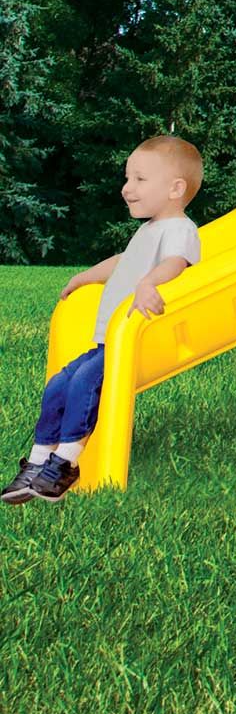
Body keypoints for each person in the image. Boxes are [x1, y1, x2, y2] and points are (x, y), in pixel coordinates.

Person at [5, 137, 204, 507]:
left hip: (133, 343)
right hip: (106, 341)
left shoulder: (179, 229)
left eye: (140, 179)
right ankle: (36, 462)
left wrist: (149, 283)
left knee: (83, 385)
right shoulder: (150, 230)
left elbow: (175, 263)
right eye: (128, 178)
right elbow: (121, 262)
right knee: (58, 386)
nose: (127, 188)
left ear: (176, 189)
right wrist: (85, 277)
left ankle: (65, 463)